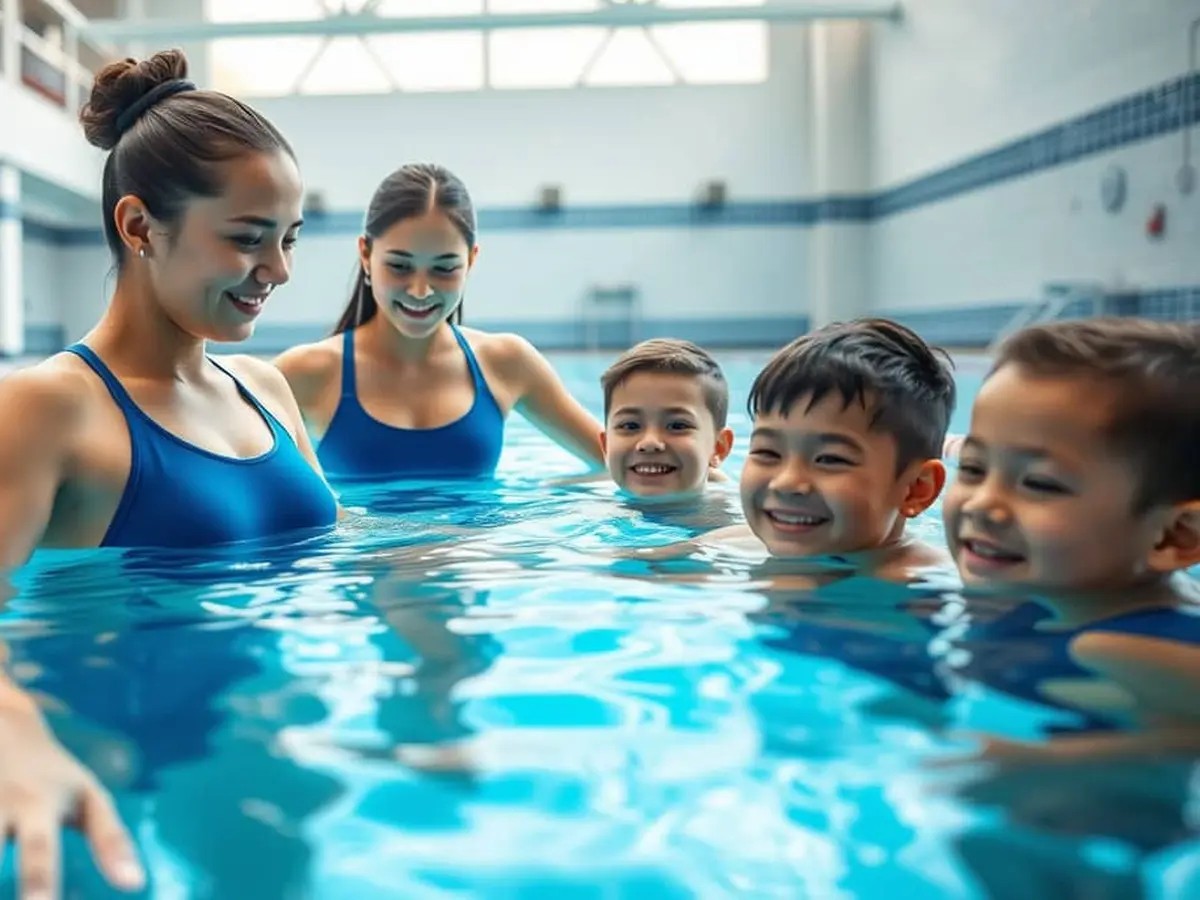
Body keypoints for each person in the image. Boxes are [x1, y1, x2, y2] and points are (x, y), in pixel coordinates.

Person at [0, 48, 339, 897]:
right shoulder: (50, 408)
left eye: (290, 240)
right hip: (102, 767)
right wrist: (15, 739)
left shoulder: (265, 388)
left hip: (262, 754)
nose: (280, 271)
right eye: (247, 238)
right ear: (139, 226)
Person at [274, 162, 604, 482]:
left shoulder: (506, 362)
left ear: (471, 260)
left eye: (444, 268)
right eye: (400, 267)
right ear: (365, 255)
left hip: (480, 542)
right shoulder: (306, 373)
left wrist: (549, 494)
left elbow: (619, 463)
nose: (420, 291)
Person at [635, 318, 956, 582]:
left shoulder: (927, 587)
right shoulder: (732, 544)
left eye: (829, 459)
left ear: (916, 489)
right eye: (767, 453)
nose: (786, 482)